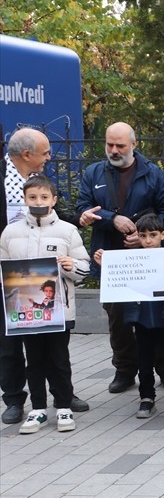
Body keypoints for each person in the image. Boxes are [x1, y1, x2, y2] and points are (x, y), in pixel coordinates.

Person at [76, 122, 164, 395]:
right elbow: (83, 208)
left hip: (147, 258)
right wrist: (110, 218)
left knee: (153, 313)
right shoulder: (93, 172)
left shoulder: (153, 174)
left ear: (134, 144)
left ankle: (163, 368)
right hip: (111, 259)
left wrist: (144, 233)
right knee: (117, 317)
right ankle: (124, 369)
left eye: (120, 145)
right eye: (110, 145)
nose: (114, 150)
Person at [0, 174, 88, 433]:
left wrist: (73, 266)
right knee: (34, 359)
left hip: (59, 310)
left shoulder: (67, 231)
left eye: (44, 197)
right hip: (25, 310)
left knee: (59, 359)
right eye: (33, 197)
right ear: (25, 199)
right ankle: (38, 409)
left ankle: (63, 407)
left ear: (54, 200)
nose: (38, 201)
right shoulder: (10, 232)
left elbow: (84, 266)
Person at [94, 214, 164, 419]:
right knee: (144, 360)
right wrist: (107, 266)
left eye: (153, 235)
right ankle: (146, 398)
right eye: (143, 235)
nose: (148, 240)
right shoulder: (132, 260)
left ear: (162, 235)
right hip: (141, 318)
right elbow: (119, 281)